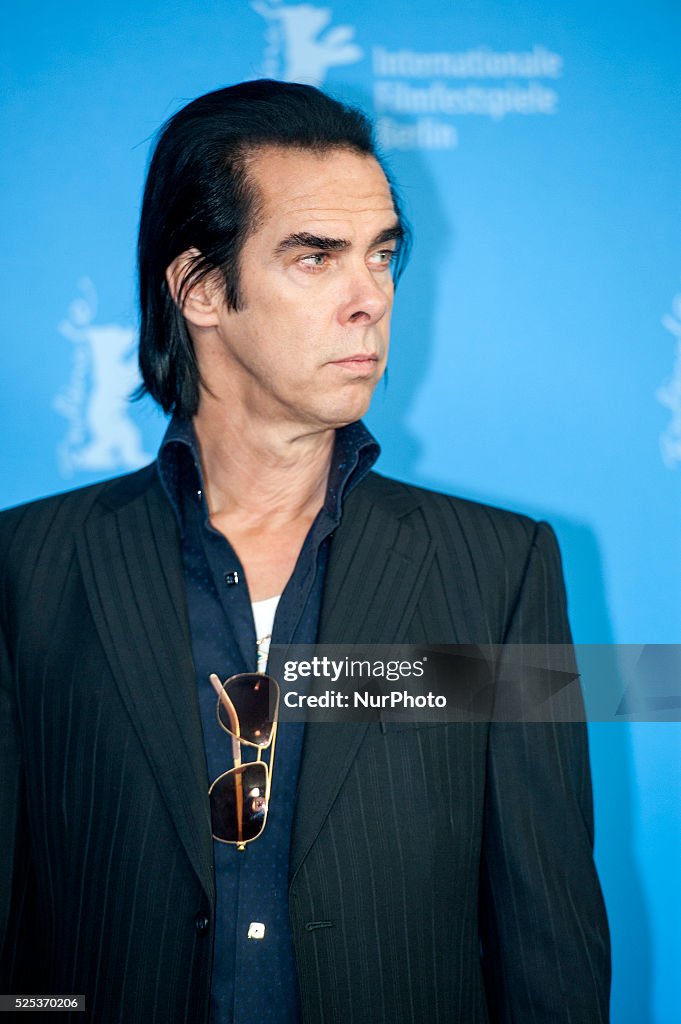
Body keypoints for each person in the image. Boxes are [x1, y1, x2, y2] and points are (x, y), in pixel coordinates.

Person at [0, 80, 610, 1023]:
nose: (369, 298)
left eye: (381, 255)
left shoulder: (502, 569)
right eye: (315, 258)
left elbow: (548, 937)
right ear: (201, 289)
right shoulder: (26, 568)